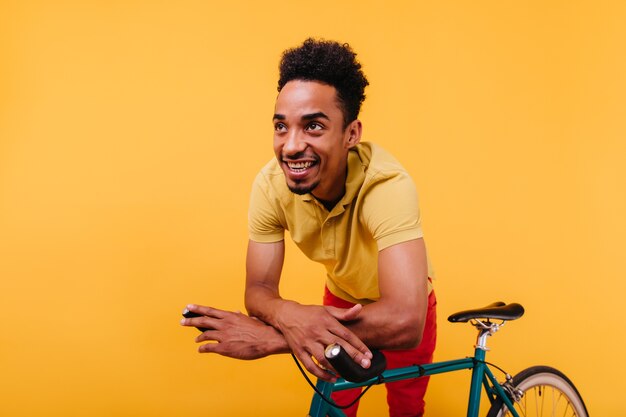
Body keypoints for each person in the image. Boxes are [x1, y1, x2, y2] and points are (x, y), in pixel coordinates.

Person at [182, 38, 437, 417]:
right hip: (341, 302)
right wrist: (293, 318)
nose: (290, 146)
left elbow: (404, 320)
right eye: (281, 127)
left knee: (405, 405)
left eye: (313, 126)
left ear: (351, 134)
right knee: (334, 405)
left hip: (405, 304)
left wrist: (275, 336)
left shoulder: (386, 185)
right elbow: (259, 290)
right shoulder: (269, 186)